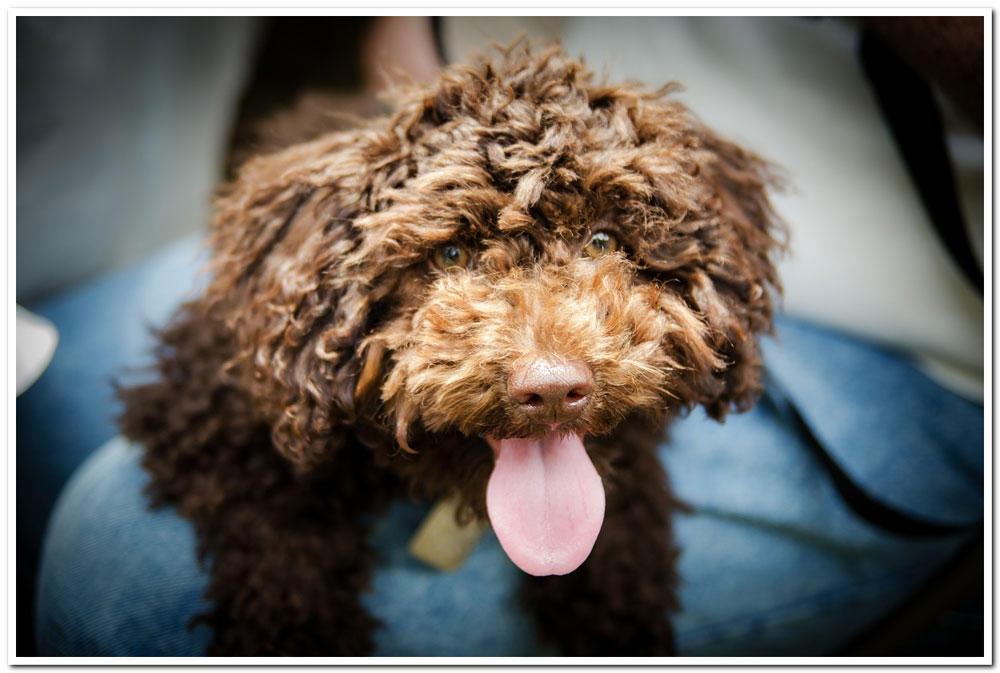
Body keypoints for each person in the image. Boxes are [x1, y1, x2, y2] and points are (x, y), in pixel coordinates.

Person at [30, 16, 983, 657]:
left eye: (602, 244)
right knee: (46, 396)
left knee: (119, 583)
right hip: (418, 154)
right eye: (455, 260)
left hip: (898, 334)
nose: (546, 359)